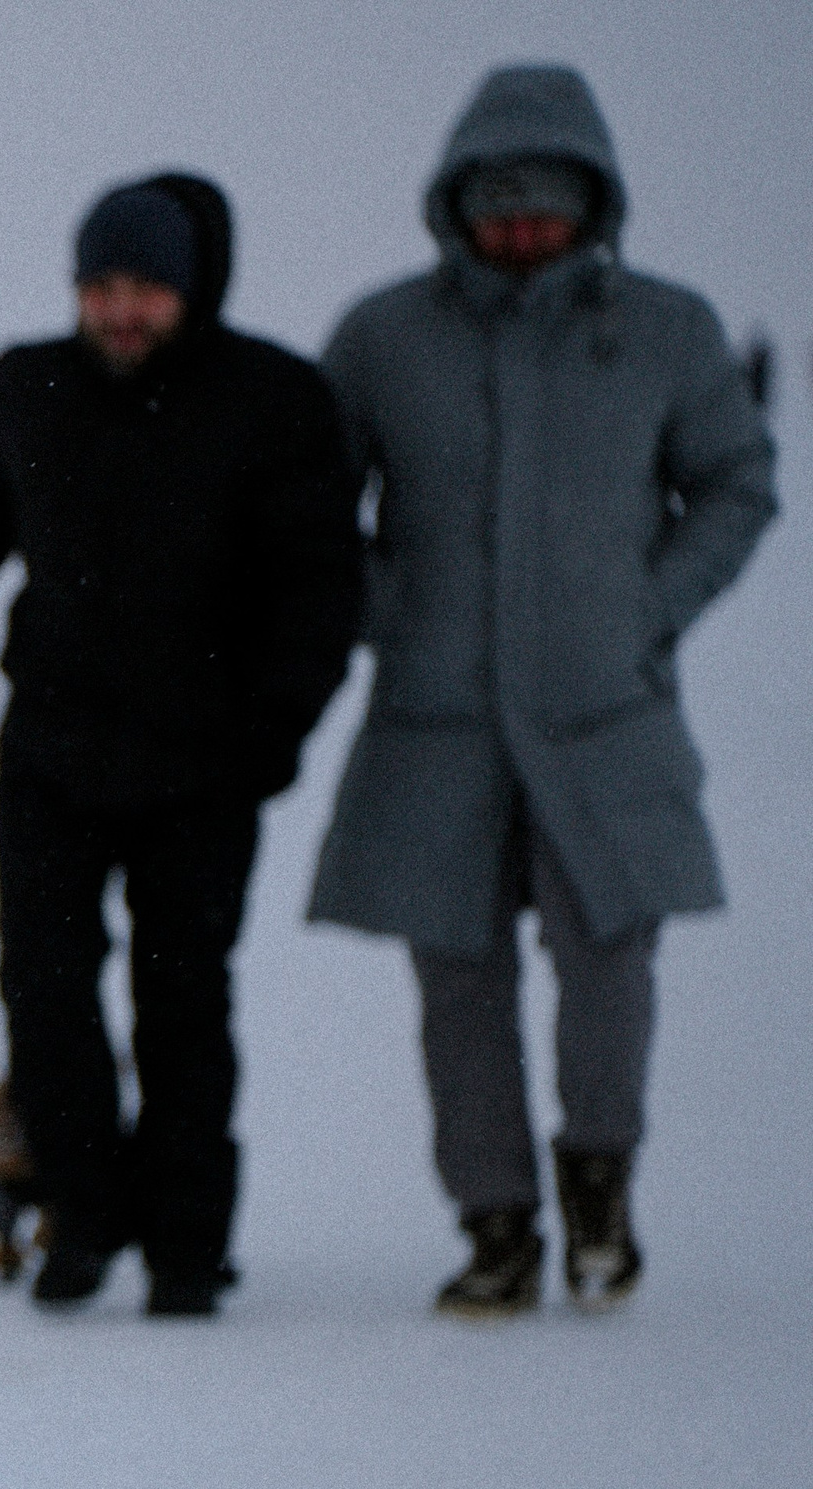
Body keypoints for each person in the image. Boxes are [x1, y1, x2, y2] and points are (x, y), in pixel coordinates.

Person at [0, 175, 362, 1316]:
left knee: (182, 1002)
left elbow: (320, 589)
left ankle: (187, 1246)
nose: (120, 312)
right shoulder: (26, 388)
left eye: (146, 289)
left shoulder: (272, 400)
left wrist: (274, 732)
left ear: (194, 289)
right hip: (52, 756)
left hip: (204, 766)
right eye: (100, 287)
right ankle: (78, 1221)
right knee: (44, 994)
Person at [307, 65, 776, 1315]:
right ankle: (494, 1222)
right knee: (457, 982)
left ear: (592, 206)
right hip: (437, 721)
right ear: (455, 205)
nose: (520, 236)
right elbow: (305, 505)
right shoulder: (382, 337)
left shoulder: (664, 332)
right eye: (498, 211)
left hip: (603, 715)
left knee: (609, 955)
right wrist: (386, 610)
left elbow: (735, 483)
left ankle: (599, 1183)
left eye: (545, 212)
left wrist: (648, 608)